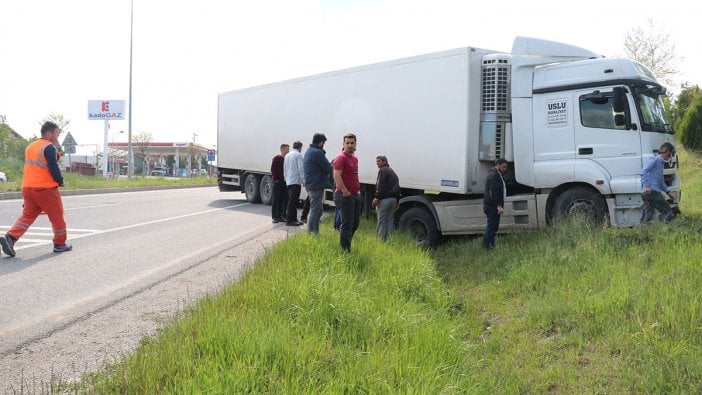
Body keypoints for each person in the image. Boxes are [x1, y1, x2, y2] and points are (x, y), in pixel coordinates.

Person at [1, 121, 73, 258]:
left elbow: (38, 165)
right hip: (45, 188)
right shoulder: (49, 146)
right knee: (57, 217)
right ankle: (60, 244)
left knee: (27, 216)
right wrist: (60, 181)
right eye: (56, 133)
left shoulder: (30, 146)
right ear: (48, 133)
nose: (58, 136)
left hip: (28, 187)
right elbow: (53, 167)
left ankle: (10, 238)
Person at [333, 133, 362, 252]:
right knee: (347, 224)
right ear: (343, 144)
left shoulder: (354, 159)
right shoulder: (341, 158)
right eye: (347, 143)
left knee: (355, 223)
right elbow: (336, 175)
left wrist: (357, 191)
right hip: (344, 195)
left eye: (352, 143)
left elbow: (353, 176)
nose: (350, 145)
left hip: (355, 195)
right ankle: (345, 250)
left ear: (356, 144)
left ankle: (347, 243)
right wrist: (345, 191)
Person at [303, 133, 332, 234]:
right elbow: (327, 167)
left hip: (311, 184)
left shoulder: (309, 151)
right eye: (324, 143)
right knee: (315, 210)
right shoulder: (317, 153)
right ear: (321, 142)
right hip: (316, 185)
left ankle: (315, 231)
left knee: (318, 210)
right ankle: (310, 233)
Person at [640, 142, 677, 223]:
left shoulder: (661, 162)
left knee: (647, 216)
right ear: (667, 151)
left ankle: (642, 231)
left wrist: (669, 193)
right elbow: (643, 171)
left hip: (647, 193)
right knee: (667, 211)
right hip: (651, 192)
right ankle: (665, 231)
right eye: (671, 153)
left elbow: (661, 182)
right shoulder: (656, 159)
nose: (671, 155)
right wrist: (646, 186)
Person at [371, 155, 400, 241]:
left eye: (379, 161)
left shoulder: (382, 171)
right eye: (376, 162)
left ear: (384, 162)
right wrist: (397, 201)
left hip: (385, 200)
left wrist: (377, 197)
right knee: (390, 220)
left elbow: (380, 186)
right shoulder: (392, 172)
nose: (377, 163)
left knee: (382, 221)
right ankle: (390, 240)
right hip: (393, 200)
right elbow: (398, 188)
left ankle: (381, 241)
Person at [483, 158, 508, 250]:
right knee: (492, 228)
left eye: (506, 167)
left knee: (492, 227)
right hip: (492, 206)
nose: (505, 169)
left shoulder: (496, 174)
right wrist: (499, 206)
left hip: (492, 206)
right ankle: (488, 248)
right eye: (503, 167)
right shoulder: (494, 175)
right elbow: (493, 192)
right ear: (497, 165)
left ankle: (489, 246)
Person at [284, 141, 305, 226]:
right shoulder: (298, 155)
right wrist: (304, 180)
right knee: (292, 202)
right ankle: (289, 220)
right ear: (300, 147)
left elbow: (284, 169)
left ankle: (294, 219)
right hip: (295, 181)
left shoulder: (287, 155)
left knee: (293, 201)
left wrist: (286, 179)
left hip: (289, 181)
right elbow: (301, 169)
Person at [270, 143, 289, 223]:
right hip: (278, 182)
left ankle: (281, 216)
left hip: (284, 182)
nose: (288, 151)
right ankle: (274, 217)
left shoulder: (286, 158)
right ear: (283, 149)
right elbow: (273, 169)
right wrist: (276, 179)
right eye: (287, 149)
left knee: (283, 199)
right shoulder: (277, 158)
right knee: (276, 200)